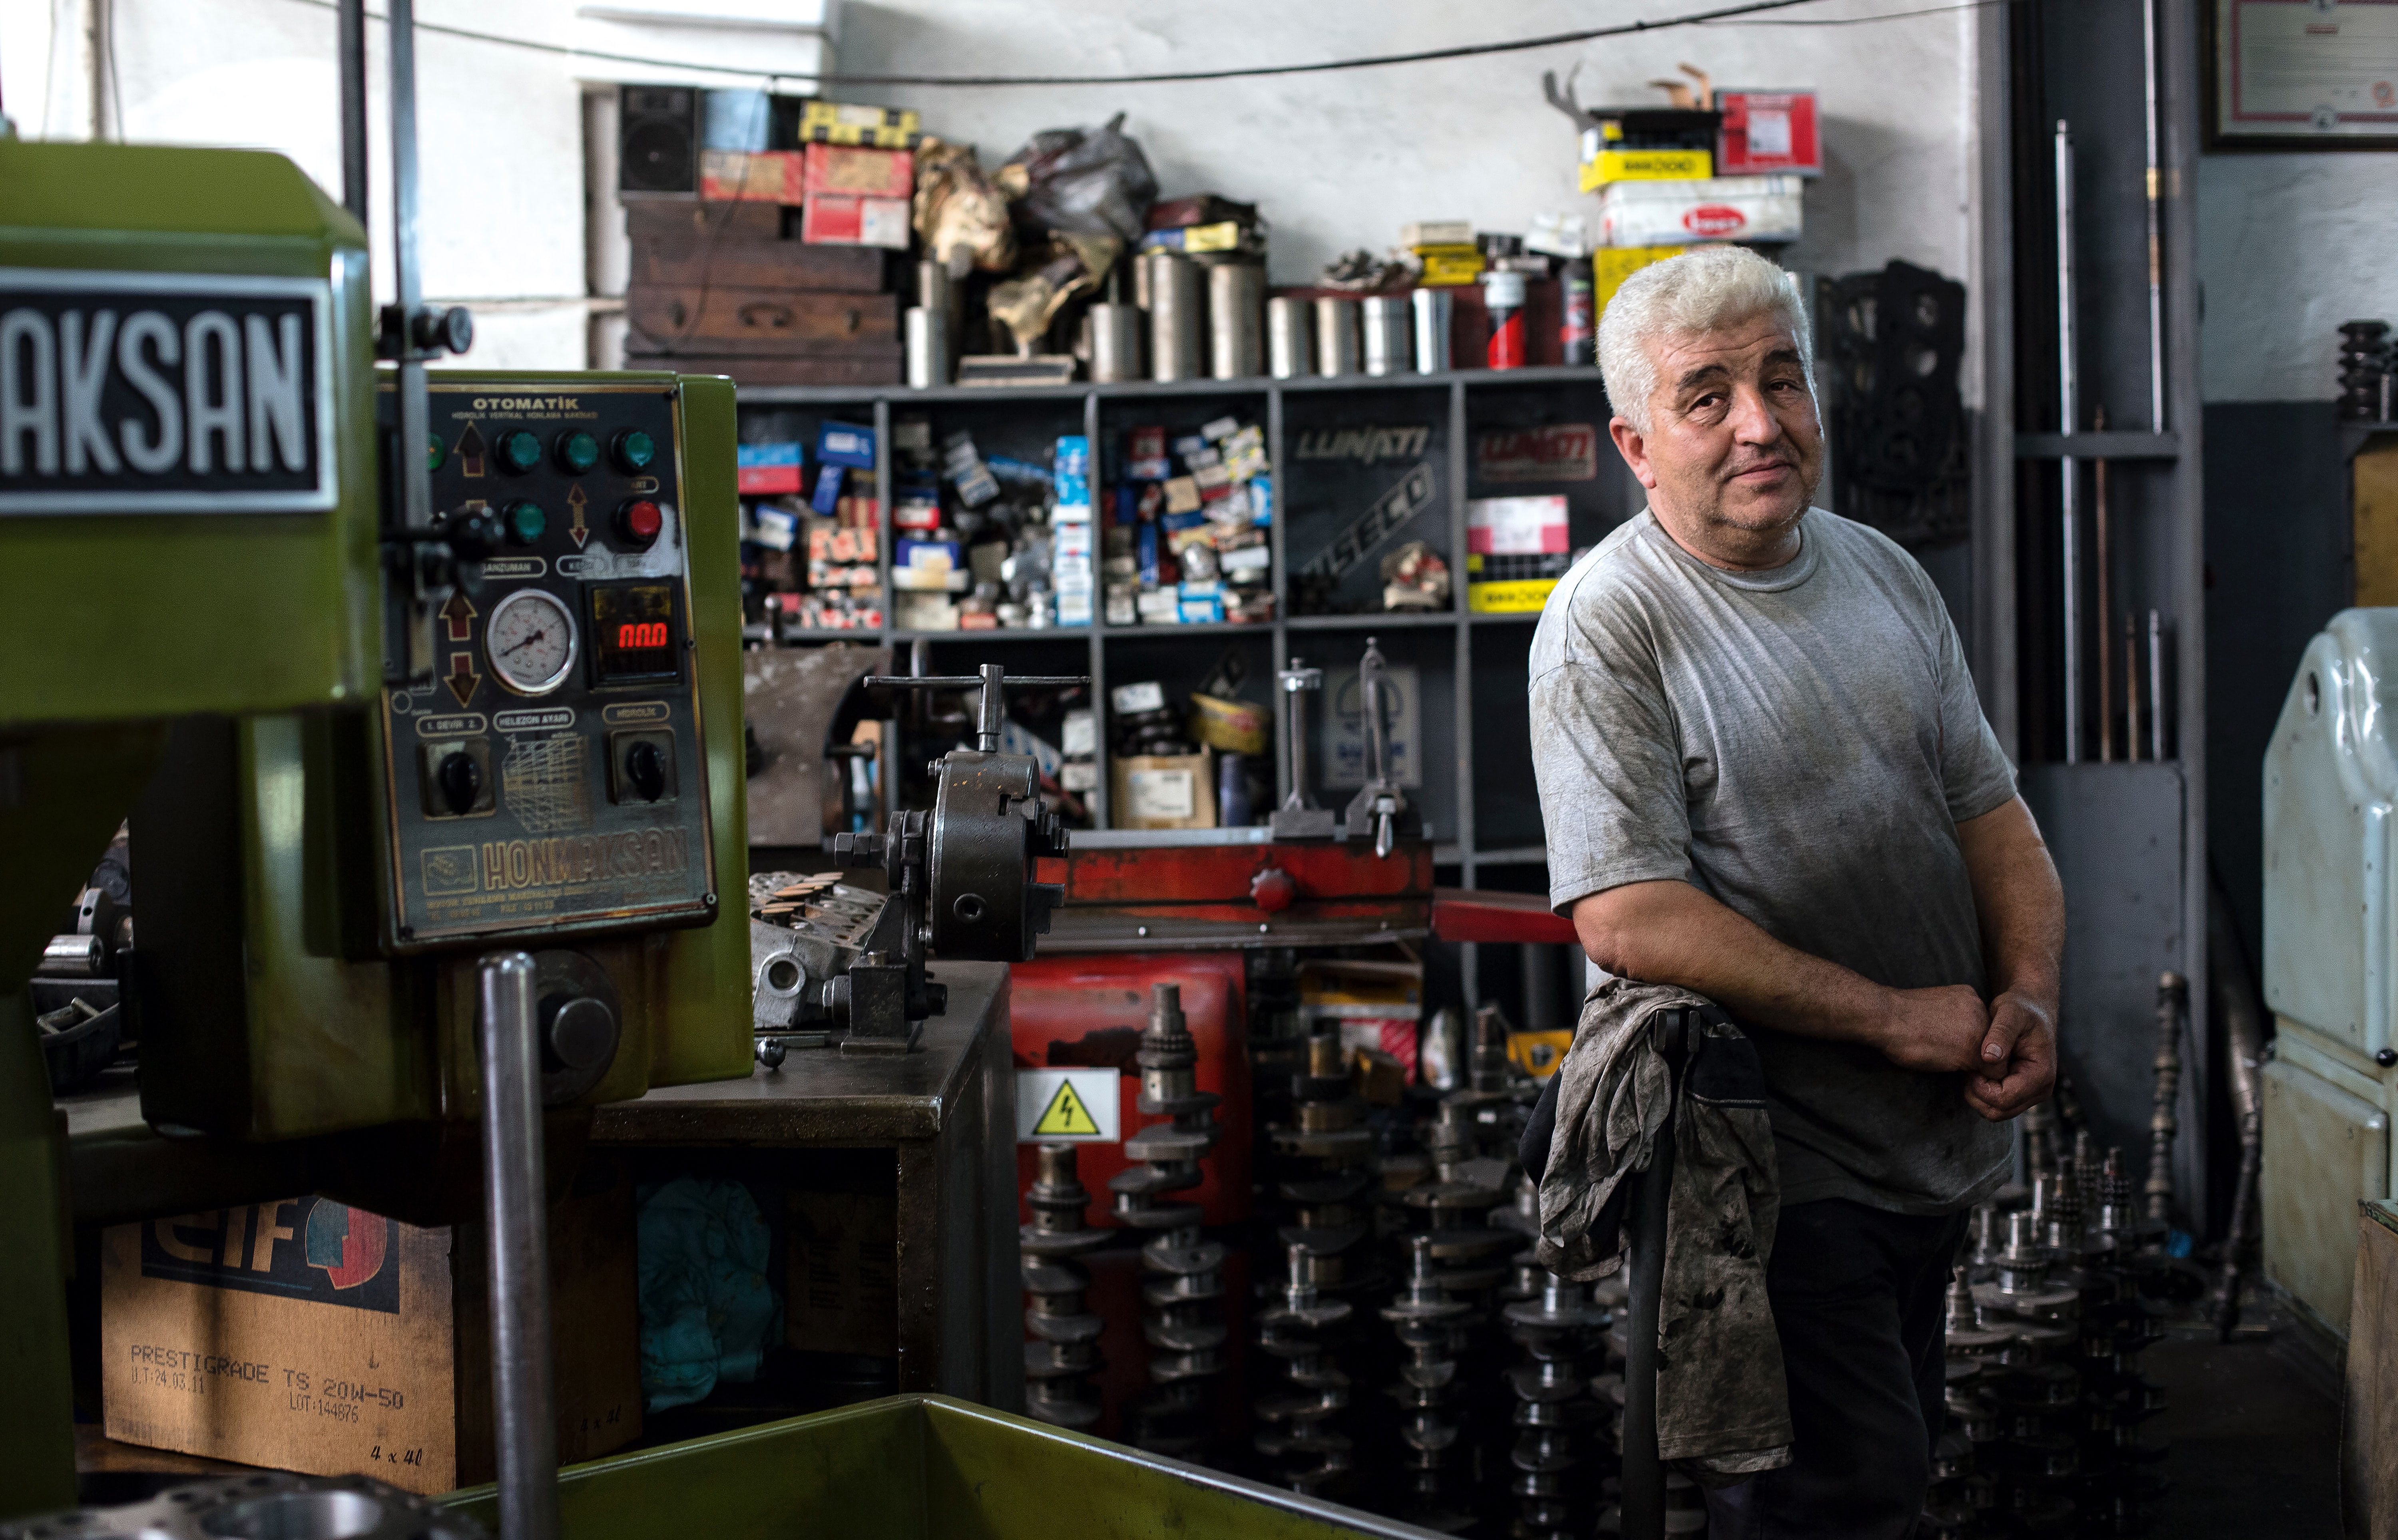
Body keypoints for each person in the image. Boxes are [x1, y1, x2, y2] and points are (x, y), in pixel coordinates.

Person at [1528, 244, 2063, 1539]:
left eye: (1784, 379)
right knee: (1843, 1500)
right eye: (1707, 396)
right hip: (1769, 1166)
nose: (1761, 423)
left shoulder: (1884, 573)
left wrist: (2030, 994)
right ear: (1637, 445)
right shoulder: (1611, 622)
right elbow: (1628, 914)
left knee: (1891, 1465)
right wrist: (1891, 1016)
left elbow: (1992, 814)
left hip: (1928, 1140)